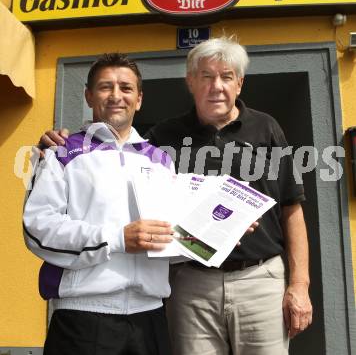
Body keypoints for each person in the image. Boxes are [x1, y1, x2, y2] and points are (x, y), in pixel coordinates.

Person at [39, 37, 312, 355]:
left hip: (259, 279)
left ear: (239, 83)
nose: (217, 86)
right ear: (191, 82)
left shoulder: (268, 129)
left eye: (226, 77)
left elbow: (292, 209)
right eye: (206, 77)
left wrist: (299, 285)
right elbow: (116, 153)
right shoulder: (162, 138)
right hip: (190, 284)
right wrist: (59, 141)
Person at [23, 53, 175, 355]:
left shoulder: (162, 160)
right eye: (106, 87)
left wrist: (220, 232)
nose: (117, 95)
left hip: (151, 317)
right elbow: (38, 229)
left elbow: (173, 235)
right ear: (89, 96)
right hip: (84, 316)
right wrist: (117, 239)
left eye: (126, 88)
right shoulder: (60, 152)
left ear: (139, 99)